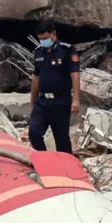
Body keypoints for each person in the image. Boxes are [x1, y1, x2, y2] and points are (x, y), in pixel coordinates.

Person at [29, 21, 81, 153]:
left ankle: (66, 164)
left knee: (61, 139)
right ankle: (44, 160)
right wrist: (32, 101)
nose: (43, 42)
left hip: (60, 101)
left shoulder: (67, 50)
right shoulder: (38, 52)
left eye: (45, 38)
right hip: (42, 101)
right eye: (40, 39)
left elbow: (75, 76)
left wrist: (76, 100)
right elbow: (36, 77)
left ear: (53, 34)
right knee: (34, 133)